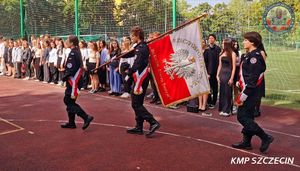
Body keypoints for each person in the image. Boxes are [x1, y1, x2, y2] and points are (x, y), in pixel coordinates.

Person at [232, 32, 273, 153]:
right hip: (248, 90)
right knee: (248, 116)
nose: (243, 42)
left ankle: (265, 137)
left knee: (242, 117)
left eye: (245, 40)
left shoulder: (255, 57)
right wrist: (239, 82)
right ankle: (246, 142)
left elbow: (253, 79)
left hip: (251, 92)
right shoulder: (248, 55)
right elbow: (246, 74)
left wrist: (242, 97)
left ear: (252, 42)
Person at [123, 26, 160, 137]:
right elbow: (132, 53)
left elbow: (137, 63)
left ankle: (153, 122)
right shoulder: (139, 46)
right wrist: (119, 56)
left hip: (141, 78)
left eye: (132, 36)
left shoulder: (142, 47)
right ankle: (139, 127)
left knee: (135, 104)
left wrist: (128, 73)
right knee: (137, 103)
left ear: (137, 36)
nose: (131, 38)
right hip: (139, 78)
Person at [61, 35, 94, 130]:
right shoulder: (76, 51)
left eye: (67, 40)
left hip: (73, 82)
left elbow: (70, 69)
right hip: (75, 81)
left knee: (68, 101)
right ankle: (71, 123)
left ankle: (86, 117)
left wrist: (63, 77)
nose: (66, 41)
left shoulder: (73, 53)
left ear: (71, 43)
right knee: (70, 102)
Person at [217, 38, 236, 117]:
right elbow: (219, 65)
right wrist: (217, 75)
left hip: (228, 74)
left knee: (228, 92)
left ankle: (227, 110)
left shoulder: (233, 53)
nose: (222, 44)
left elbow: (234, 67)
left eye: (223, 43)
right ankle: (222, 109)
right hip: (222, 74)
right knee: (222, 92)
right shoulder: (221, 53)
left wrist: (231, 78)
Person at [205, 34, 221, 109]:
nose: (211, 39)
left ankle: (213, 102)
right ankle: (208, 101)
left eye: (212, 38)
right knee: (207, 88)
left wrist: (218, 72)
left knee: (215, 88)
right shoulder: (206, 49)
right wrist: (206, 72)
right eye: (209, 38)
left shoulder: (218, 49)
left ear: (214, 39)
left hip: (215, 72)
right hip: (208, 72)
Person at [148, 32, 162, 105]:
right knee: (153, 83)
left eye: (152, 37)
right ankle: (155, 96)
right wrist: (148, 66)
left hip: (158, 68)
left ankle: (160, 98)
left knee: (158, 84)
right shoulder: (149, 45)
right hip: (151, 67)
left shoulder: (160, 45)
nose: (151, 38)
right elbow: (148, 57)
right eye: (150, 37)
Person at [199, 40, 209, 112]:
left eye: (203, 42)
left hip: (206, 72)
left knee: (205, 89)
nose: (201, 43)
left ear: (205, 44)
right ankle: (200, 104)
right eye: (200, 42)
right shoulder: (197, 51)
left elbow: (210, 63)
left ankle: (204, 105)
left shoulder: (208, 52)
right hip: (198, 72)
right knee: (199, 89)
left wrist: (208, 73)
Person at [232, 39, 241, 114]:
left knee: (236, 90)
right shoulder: (229, 52)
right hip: (230, 72)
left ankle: (236, 104)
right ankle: (229, 105)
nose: (235, 45)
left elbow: (239, 63)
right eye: (234, 44)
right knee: (229, 90)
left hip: (237, 72)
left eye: (236, 44)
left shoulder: (239, 53)